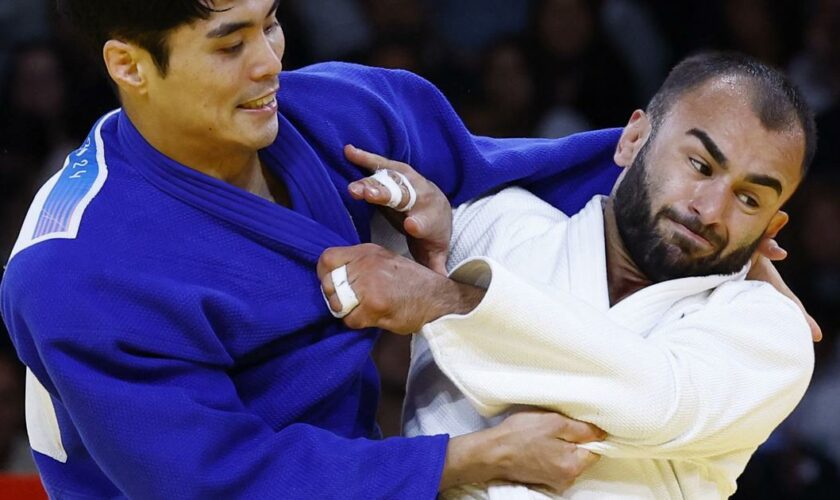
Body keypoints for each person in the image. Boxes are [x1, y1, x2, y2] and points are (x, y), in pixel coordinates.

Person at [0, 0, 643, 497]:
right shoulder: (78, 270)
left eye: (271, 24)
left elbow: (515, 170)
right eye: (231, 44)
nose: (269, 64)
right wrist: (474, 457)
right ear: (130, 65)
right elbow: (221, 481)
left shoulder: (328, 113)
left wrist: (691, 203)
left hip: (363, 456)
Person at [317, 52, 817, 498]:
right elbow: (319, 137)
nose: (711, 209)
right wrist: (398, 203)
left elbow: (659, 399)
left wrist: (447, 302)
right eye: (700, 165)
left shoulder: (768, 328)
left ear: (772, 225)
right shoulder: (494, 222)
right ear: (632, 139)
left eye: (749, 199)